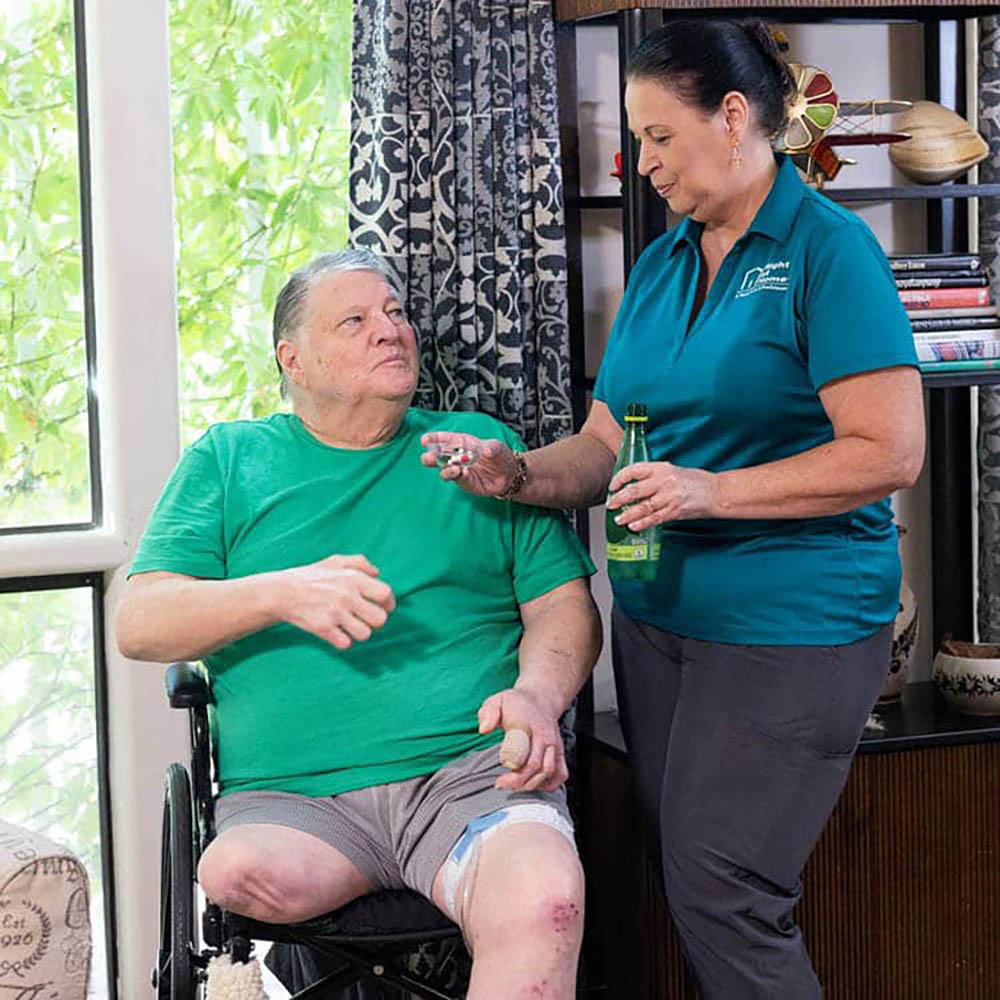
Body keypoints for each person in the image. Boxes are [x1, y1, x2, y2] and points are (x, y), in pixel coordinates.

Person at [419, 18, 925, 999]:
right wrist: (516, 472)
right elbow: (606, 446)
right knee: (693, 872)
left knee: (721, 883)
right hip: (658, 628)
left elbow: (890, 451)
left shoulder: (829, 253)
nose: (640, 162)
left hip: (792, 625)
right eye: (636, 140)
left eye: (658, 136)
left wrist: (711, 490)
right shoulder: (662, 266)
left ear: (732, 116)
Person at [115, 248, 602, 1000]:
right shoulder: (229, 461)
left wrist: (539, 696)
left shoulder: (474, 450)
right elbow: (140, 622)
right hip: (296, 804)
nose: (390, 330)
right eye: (356, 320)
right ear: (294, 360)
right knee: (234, 870)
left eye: (396, 313)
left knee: (548, 902)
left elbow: (562, 605)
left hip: (470, 781)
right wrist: (281, 593)